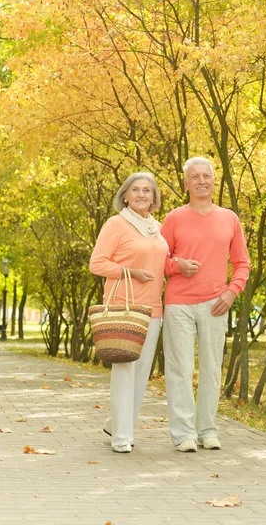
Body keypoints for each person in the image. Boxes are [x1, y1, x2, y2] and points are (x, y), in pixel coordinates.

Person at [161, 157, 250, 452]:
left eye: (206, 176)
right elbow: (159, 259)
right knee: (180, 369)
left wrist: (232, 292)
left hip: (216, 303)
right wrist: (178, 266)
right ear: (185, 183)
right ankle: (184, 434)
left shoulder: (229, 218)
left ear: (214, 180)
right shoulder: (173, 218)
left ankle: (208, 429)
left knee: (212, 369)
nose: (201, 181)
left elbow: (242, 264)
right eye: (195, 176)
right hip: (179, 304)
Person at [89, 172, 170, 454]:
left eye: (147, 190)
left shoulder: (155, 229)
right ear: (125, 195)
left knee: (140, 374)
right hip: (124, 306)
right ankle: (122, 436)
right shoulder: (116, 224)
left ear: (154, 198)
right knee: (124, 370)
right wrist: (129, 272)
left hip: (153, 309)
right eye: (135, 190)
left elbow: (161, 264)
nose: (141, 195)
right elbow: (96, 263)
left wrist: (179, 265)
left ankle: (117, 423)